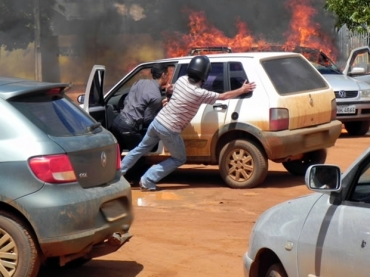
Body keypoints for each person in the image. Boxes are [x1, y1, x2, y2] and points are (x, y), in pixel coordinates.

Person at [120, 55, 256, 191]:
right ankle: (147, 180)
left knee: (140, 149)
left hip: (157, 122)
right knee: (179, 158)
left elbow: (171, 89)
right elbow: (224, 96)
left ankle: (118, 174)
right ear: (205, 75)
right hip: (169, 128)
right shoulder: (199, 93)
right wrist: (242, 90)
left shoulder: (181, 80)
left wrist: (169, 92)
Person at [112, 63, 169, 151]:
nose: (168, 77)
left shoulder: (139, 82)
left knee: (117, 157)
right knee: (139, 158)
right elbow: (147, 119)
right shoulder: (156, 96)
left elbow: (126, 100)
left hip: (117, 122)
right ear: (163, 75)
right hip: (129, 128)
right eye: (168, 74)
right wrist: (160, 108)